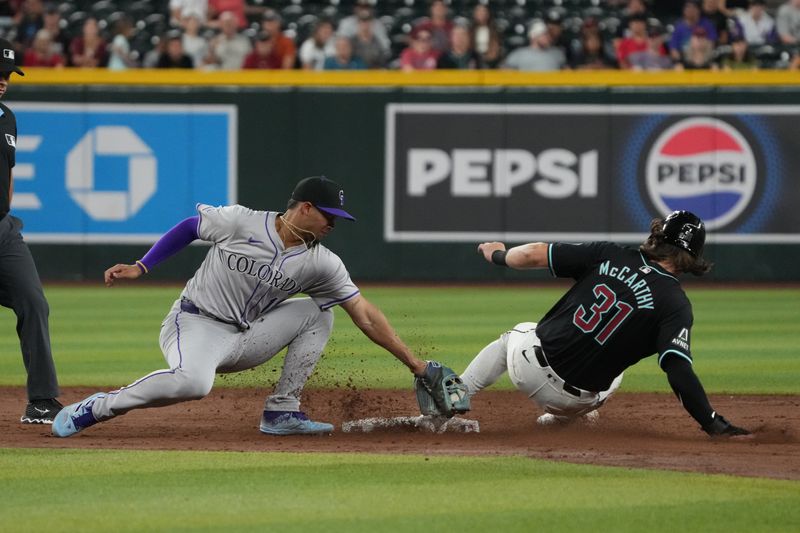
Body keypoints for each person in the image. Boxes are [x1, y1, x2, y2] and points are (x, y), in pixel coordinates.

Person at [52, 176, 443, 438]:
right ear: (305, 208)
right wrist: (142, 265)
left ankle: (281, 411)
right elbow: (191, 227)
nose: (333, 225)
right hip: (195, 323)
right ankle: (100, 407)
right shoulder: (243, 222)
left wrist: (417, 364)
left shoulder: (322, 262)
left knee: (319, 311)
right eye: (329, 215)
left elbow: (364, 313)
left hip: (245, 336)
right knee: (194, 383)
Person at [461, 211, 750, 438]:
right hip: (576, 401)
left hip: (529, 369)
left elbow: (534, 252)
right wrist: (713, 423)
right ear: (693, 256)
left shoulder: (609, 254)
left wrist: (496, 255)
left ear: (658, 235)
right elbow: (678, 370)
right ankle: (561, 418)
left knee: (517, 332)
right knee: (615, 373)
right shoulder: (676, 304)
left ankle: (454, 397)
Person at [0, 38, 62, 424]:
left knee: (34, 304)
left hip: (3, 231)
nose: (3, 80)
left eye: (7, 74)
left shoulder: (7, 117)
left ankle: (42, 400)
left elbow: (8, 175)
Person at [502, 20, 566, 72]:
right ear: (534, 36)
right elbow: (504, 72)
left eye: (548, 34)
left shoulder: (557, 53)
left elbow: (567, 73)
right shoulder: (518, 54)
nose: (547, 37)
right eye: (544, 34)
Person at [469, 3, 502, 68]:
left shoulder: (494, 30)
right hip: (474, 58)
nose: (481, 14)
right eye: (479, 11)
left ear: (488, 13)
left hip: (491, 60)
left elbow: (496, 47)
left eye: (483, 11)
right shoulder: (470, 30)